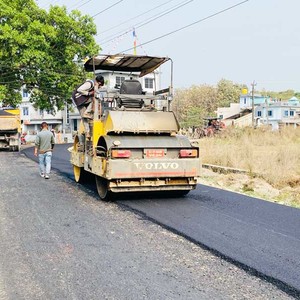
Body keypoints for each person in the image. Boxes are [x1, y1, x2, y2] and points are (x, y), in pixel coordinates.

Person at [72, 75, 104, 139]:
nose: (99, 88)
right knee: (94, 99)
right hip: (79, 99)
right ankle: (87, 112)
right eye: (100, 86)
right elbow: (79, 89)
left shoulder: (94, 86)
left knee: (84, 118)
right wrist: (88, 93)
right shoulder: (90, 83)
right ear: (99, 83)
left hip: (78, 101)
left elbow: (98, 94)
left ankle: (88, 133)